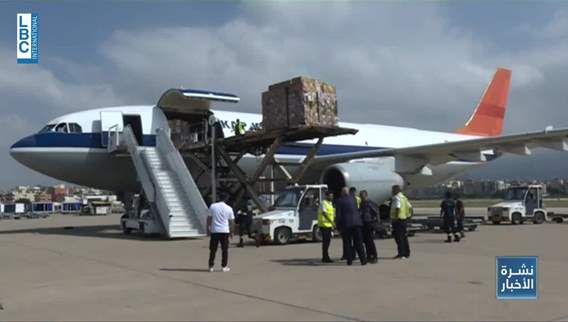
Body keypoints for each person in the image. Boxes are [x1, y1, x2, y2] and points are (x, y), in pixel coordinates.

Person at [335, 187, 367, 266]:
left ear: (342, 192)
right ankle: (363, 260)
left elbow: (338, 215)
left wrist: (337, 226)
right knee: (359, 242)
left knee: (347, 243)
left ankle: (349, 260)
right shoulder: (354, 199)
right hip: (357, 223)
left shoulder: (339, 201)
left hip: (346, 224)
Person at [207, 194, 235, 272]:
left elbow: (209, 218)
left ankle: (211, 266)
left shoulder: (213, 206)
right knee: (224, 249)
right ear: (226, 199)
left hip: (215, 230)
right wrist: (232, 231)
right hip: (225, 231)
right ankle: (224, 266)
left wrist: (208, 228)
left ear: (218, 198)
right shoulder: (229, 208)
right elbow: (232, 222)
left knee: (213, 249)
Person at [390, 185, 412, 259]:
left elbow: (397, 207)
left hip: (398, 220)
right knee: (404, 237)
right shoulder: (404, 198)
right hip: (404, 219)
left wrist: (395, 218)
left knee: (399, 238)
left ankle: (401, 253)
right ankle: (407, 252)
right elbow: (410, 207)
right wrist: (408, 216)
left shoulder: (396, 197)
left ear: (396, 190)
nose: (392, 191)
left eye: (393, 190)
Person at [360, 190, 378, 263]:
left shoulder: (370, 203)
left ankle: (374, 256)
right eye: (360, 196)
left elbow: (376, 212)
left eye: (362, 196)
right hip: (363, 223)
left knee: (370, 241)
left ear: (366, 195)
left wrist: (375, 222)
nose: (361, 198)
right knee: (366, 241)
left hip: (369, 223)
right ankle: (369, 255)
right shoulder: (362, 203)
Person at [317, 191, 335, 263]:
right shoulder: (323, 203)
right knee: (325, 242)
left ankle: (326, 256)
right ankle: (325, 257)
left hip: (329, 225)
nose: (332, 197)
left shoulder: (330, 204)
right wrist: (331, 222)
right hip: (324, 225)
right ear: (326, 196)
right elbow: (324, 213)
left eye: (332, 196)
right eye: (330, 196)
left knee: (327, 242)